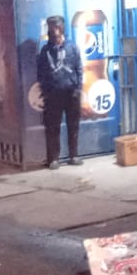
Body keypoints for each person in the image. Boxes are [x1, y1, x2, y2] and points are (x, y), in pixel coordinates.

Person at [37, 15, 84, 169]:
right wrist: (46, 91)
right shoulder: (45, 50)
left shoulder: (72, 47)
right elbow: (41, 73)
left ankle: (73, 156)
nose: (54, 32)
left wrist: (78, 88)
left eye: (57, 28)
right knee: (52, 127)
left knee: (73, 126)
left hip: (71, 93)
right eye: (51, 29)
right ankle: (53, 159)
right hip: (53, 95)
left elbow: (79, 68)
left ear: (62, 29)